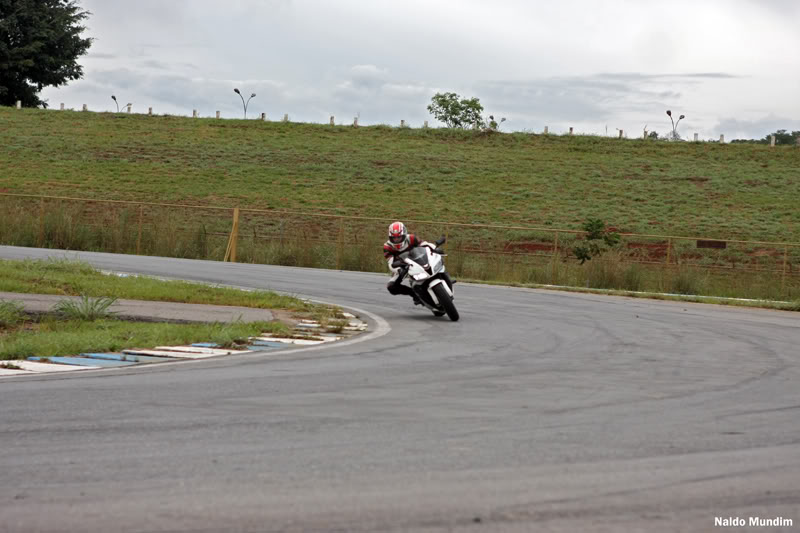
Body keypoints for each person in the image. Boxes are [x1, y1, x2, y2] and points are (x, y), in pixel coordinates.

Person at [383, 221, 453, 304]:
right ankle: (414, 294)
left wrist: (434, 249)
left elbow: (425, 244)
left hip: (419, 259)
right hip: (402, 266)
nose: (396, 239)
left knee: (438, 262)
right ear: (390, 237)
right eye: (394, 238)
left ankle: (446, 278)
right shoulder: (387, 247)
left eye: (399, 237)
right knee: (391, 287)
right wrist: (398, 270)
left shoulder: (412, 238)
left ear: (404, 234)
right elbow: (390, 263)